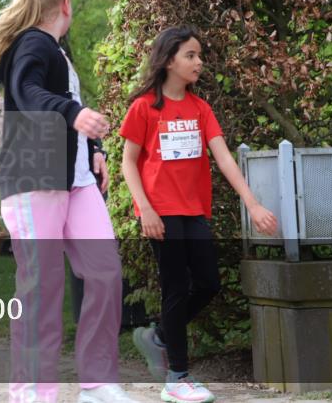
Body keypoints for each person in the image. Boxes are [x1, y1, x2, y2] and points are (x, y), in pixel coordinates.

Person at [0, 0, 137, 403]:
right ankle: (31, 391)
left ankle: (97, 383)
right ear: (65, 4)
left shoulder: (56, 51)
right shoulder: (33, 43)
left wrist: (95, 147)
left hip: (77, 181)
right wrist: (72, 114)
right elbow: (27, 92)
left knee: (104, 272)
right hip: (34, 180)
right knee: (41, 286)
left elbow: (72, 106)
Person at [119, 25, 278, 403]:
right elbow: (128, 162)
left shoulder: (200, 109)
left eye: (199, 55)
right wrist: (145, 210)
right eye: (190, 55)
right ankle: (177, 377)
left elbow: (224, 158)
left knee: (208, 283)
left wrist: (253, 204)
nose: (199, 62)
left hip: (194, 211)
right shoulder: (144, 107)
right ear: (168, 60)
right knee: (175, 289)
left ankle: (159, 335)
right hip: (161, 213)